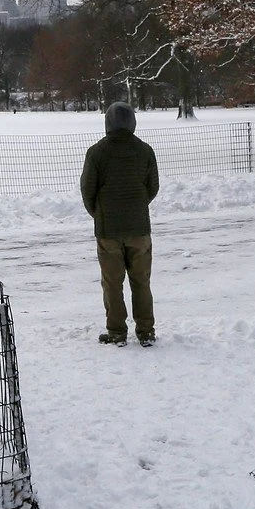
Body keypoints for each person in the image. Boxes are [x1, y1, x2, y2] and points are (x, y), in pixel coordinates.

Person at [81, 101, 161, 346]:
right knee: (141, 281)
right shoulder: (145, 151)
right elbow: (152, 187)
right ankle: (146, 331)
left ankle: (116, 331)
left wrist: (101, 213)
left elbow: (87, 191)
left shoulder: (96, 153)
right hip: (139, 229)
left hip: (108, 230)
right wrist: (137, 207)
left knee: (112, 283)